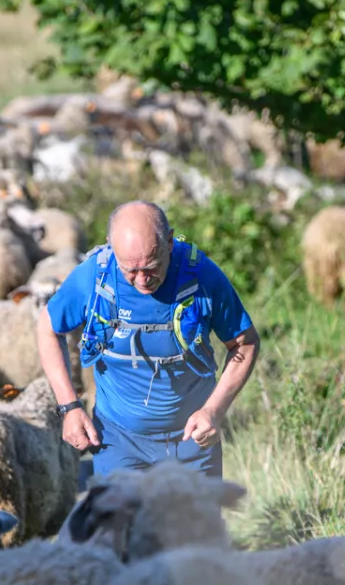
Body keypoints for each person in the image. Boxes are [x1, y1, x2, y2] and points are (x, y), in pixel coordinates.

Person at [37, 201, 260, 479]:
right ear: (111, 246)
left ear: (169, 241)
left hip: (191, 441)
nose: (142, 280)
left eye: (151, 267)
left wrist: (213, 411)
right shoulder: (94, 275)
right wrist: (69, 407)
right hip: (117, 440)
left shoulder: (202, 277)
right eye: (129, 270)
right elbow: (47, 328)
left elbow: (245, 342)